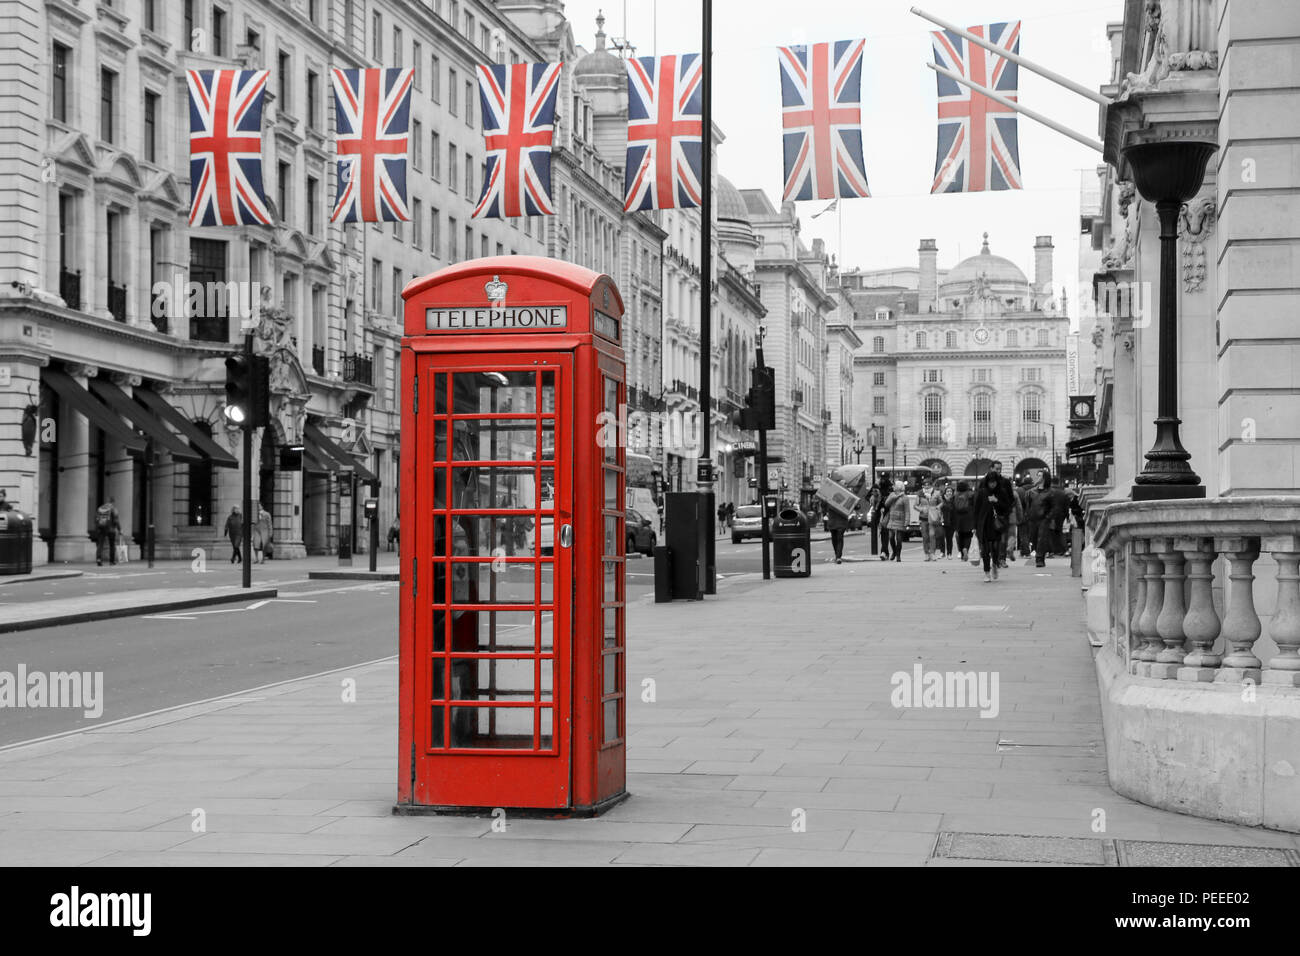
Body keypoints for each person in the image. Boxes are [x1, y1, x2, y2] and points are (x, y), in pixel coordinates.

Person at [974, 470, 1012, 582]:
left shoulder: (1002, 492)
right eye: (990, 482)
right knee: (985, 550)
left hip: (996, 524)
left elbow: (1007, 508)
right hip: (984, 524)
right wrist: (975, 526)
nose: (992, 484)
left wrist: (996, 501)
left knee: (995, 547)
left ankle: (995, 564)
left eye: (994, 482)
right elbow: (976, 510)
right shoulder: (982, 492)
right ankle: (986, 572)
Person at [882, 478, 907, 562]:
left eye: (894, 485)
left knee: (899, 539)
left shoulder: (904, 497)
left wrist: (907, 521)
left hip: (900, 519)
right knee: (891, 537)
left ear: (899, 487)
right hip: (892, 519)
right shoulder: (892, 495)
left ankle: (898, 555)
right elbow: (886, 504)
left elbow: (907, 510)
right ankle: (894, 551)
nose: (893, 487)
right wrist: (894, 497)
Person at [94, 497, 120, 566]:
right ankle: (112, 561)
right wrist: (119, 529)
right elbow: (116, 520)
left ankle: (99, 559)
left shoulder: (101, 508)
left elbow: (96, 519)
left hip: (102, 528)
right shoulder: (113, 508)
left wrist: (98, 527)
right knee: (112, 545)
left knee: (100, 544)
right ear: (113, 502)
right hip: (111, 529)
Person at [953, 480, 975, 562]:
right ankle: (966, 548)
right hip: (968, 517)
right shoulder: (970, 495)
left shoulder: (955, 495)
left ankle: (962, 554)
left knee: (960, 536)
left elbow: (953, 507)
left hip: (958, 518)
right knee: (968, 535)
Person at [940, 485, 957, 559]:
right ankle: (942, 552)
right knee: (941, 537)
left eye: (950, 491)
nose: (949, 493)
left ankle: (949, 553)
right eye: (947, 491)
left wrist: (948, 501)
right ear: (945, 492)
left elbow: (953, 509)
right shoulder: (941, 500)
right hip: (942, 521)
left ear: (953, 493)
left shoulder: (954, 500)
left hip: (951, 522)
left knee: (949, 538)